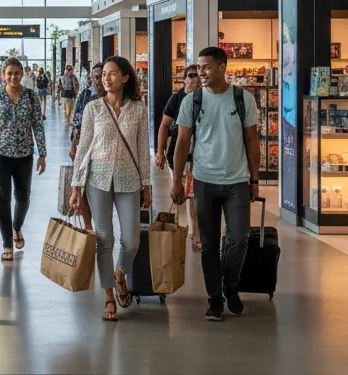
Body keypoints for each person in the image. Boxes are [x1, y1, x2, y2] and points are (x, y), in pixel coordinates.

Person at [170, 46, 260, 322]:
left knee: (239, 239)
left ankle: (230, 286)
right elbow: (183, 142)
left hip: (237, 181)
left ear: (223, 67)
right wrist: (176, 180)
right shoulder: (192, 101)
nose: (201, 73)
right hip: (204, 181)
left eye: (207, 67)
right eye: (198, 68)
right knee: (208, 244)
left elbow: (252, 140)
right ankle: (214, 299)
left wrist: (254, 179)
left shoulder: (243, 99)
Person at [70, 57, 151, 322]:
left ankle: (119, 273)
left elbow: (142, 150)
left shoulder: (139, 109)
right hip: (97, 179)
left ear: (125, 78)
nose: (106, 78)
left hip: (129, 179)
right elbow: (83, 148)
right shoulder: (93, 108)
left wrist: (147, 184)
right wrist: (75, 185)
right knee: (104, 240)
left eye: (112, 74)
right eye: (104, 74)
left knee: (131, 240)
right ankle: (108, 297)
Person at [0, 58, 47, 262]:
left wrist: (42, 153)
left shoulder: (31, 96)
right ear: (2, 74)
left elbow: (37, 125)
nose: (13, 77)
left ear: (22, 74)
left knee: (23, 198)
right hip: (0, 154)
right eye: (9, 73)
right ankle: (7, 244)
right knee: (3, 198)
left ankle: (17, 226)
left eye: (17, 73)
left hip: (24, 154)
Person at [155, 64, 202, 250]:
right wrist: (159, 151)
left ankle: (196, 234)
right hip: (179, 154)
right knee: (181, 195)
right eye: (191, 75)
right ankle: (178, 231)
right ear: (184, 79)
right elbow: (164, 125)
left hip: (200, 155)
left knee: (194, 196)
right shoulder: (177, 99)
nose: (195, 79)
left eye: (198, 75)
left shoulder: (207, 98)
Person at [68, 60, 104, 232]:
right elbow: (76, 122)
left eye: (101, 76)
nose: (98, 80)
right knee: (82, 188)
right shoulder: (85, 95)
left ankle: (101, 225)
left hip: (104, 151)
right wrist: (73, 146)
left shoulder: (111, 98)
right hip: (84, 147)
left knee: (99, 191)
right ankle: (89, 227)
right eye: (95, 76)